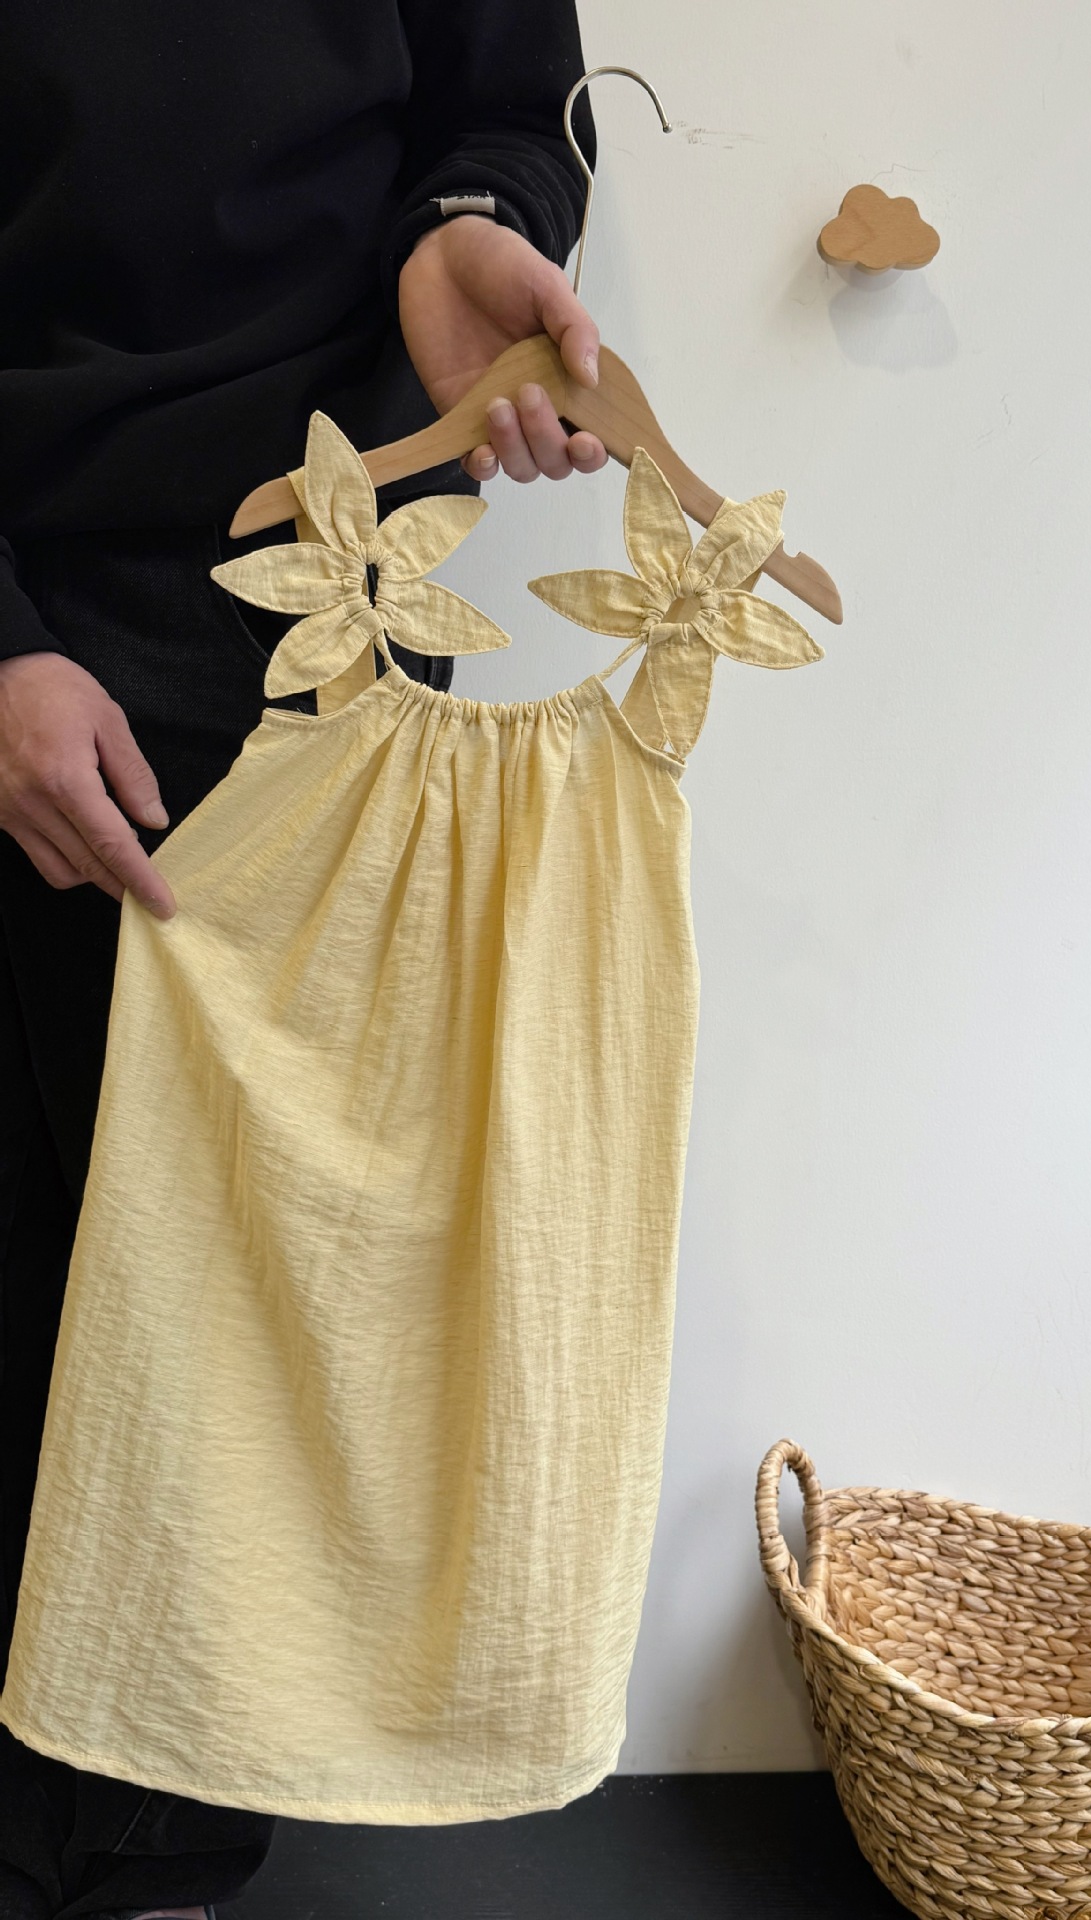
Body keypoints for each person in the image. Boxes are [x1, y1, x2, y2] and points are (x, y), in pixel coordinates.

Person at [0, 7, 604, 1916]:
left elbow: (507, 105)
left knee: (234, 1289)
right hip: (29, 544)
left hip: (320, 596)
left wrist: (466, 229)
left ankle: (153, 1857)